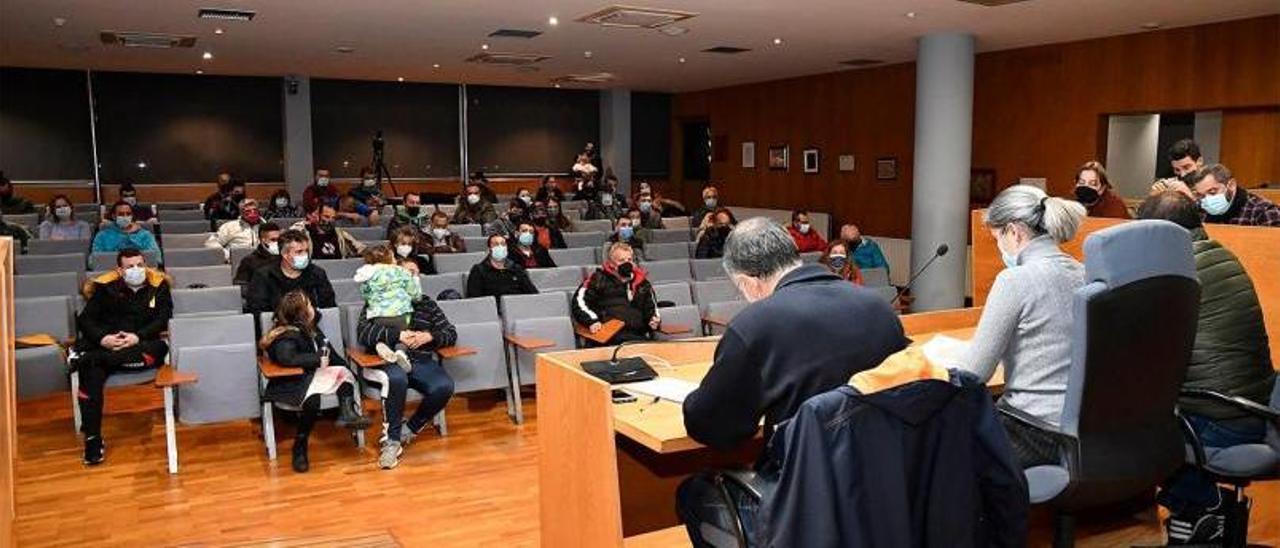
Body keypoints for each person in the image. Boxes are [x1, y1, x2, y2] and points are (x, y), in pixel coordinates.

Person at [682, 217, 908, 451]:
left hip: (802, 478)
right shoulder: (879, 307)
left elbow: (709, 425)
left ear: (747, 282)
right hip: (883, 469)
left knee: (694, 488)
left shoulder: (756, 326)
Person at [1136, 191, 1277, 543]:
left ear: (1156, 234)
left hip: (1221, 422)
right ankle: (1198, 514)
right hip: (1259, 411)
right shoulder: (1224, 257)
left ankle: (1204, 503)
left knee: (1133, 431)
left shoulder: (1177, 276)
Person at [962, 185, 1087, 469]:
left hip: (1033, 431)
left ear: (1014, 232)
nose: (998, 248)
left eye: (997, 238)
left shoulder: (1015, 280)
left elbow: (974, 373)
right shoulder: (1085, 272)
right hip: (1083, 430)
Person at [70, 249, 173, 465]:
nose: (136, 270)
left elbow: (163, 319)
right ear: (120, 270)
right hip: (108, 346)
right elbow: (86, 320)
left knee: (90, 361)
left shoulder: (159, 286)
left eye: (139, 265)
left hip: (142, 347)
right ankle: (93, 438)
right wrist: (103, 338)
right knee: (91, 373)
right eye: (130, 266)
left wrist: (138, 336)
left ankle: (85, 360)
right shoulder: (105, 289)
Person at [260, 290, 371, 473]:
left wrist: (344, 368)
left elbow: (332, 356)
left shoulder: (312, 329)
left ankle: (347, 412)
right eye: (309, 305)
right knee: (313, 400)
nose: (314, 307)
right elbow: (286, 358)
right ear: (302, 313)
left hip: (316, 375)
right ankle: (300, 446)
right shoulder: (286, 334)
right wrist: (316, 359)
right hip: (295, 381)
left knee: (344, 375)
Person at [356, 290, 458, 469]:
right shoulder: (378, 301)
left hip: (420, 360)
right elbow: (364, 334)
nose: (412, 279)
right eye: (406, 275)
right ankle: (392, 442)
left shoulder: (427, 303)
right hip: (386, 361)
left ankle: (409, 430)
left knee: (444, 386)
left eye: (415, 274)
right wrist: (398, 336)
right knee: (397, 379)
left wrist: (430, 336)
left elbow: (450, 333)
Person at [571, 242, 659, 346]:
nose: (627, 263)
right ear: (611, 264)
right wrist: (591, 321)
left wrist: (653, 319)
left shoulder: (642, 282)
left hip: (637, 337)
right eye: (621, 260)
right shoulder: (597, 280)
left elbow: (651, 306)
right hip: (608, 338)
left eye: (629, 260)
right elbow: (579, 302)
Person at [246, 229, 337, 314]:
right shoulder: (263, 275)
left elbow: (329, 307)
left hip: (312, 325)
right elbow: (258, 311)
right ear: (284, 254)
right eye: (299, 252)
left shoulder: (317, 273)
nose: (305, 255)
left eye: (306, 251)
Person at [1186, 164, 1280, 227]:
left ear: (1231, 185)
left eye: (1212, 192)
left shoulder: (1264, 211)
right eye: (1201, 196)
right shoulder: (1199, 210)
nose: (1207, 200)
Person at [466, 235, 538, 299]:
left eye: (503, 244)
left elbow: (532, 293)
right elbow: (474, 300)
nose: (500, 247)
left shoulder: (516, 269)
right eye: (496, 244)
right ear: (489, 250)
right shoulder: (479, 271)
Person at [300, 203, 365, 260]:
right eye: (326, 217)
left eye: (333, 218)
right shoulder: (303, 232)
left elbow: (360, 248)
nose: (330, 220)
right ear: (317, 216)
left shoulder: (340, 234)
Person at [92, 201, 159, 255]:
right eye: (121, 214)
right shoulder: (102, 236)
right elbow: (92, 261)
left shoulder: (145, 235)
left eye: (128, 214)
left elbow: (157, 258)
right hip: (112, 270)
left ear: (132, 216)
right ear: (114, 216)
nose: (125, 217)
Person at [233, 222, 282, 287]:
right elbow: (240, 286)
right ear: (262, 240)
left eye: (279, 240)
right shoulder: (249, 261)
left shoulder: (286, 257)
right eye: (273, 240)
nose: (277, 243)